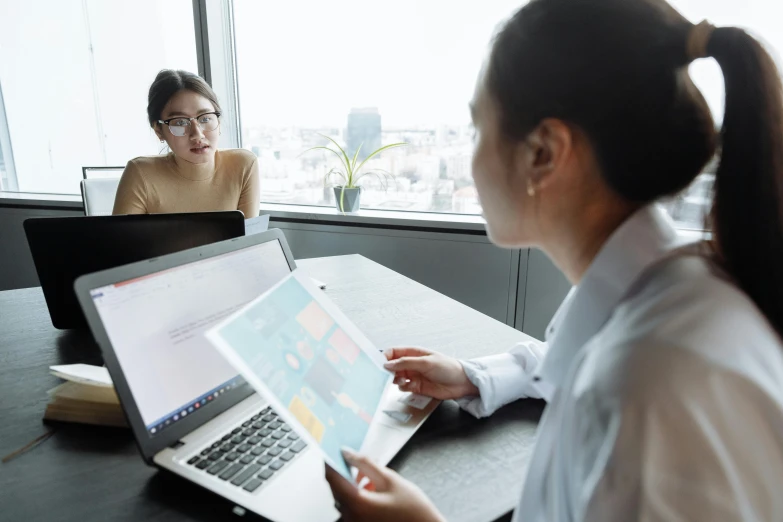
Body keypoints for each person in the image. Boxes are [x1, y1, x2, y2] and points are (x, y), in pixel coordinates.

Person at [325, 0, 783, 520]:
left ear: (543, 153)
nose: (470, 160)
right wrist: (475, 376)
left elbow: (615, 378)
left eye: (477, 129)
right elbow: (569, 355)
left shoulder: (646, 394)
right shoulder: (680, 289)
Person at [113, 69, 260, 218]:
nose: (197, 134)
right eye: (180, 122)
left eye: (205, 118)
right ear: (159, 130)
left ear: (218, 121)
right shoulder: (140, 173)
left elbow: (249, 239)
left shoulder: (243, 165)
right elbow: (120, 240)